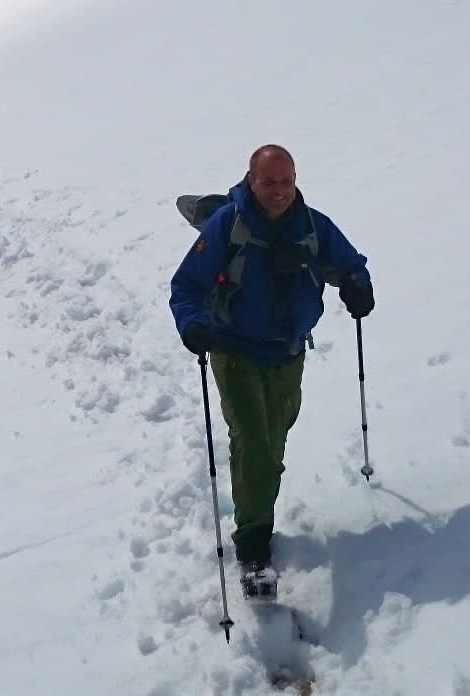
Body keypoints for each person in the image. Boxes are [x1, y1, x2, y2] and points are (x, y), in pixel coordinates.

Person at [168, 144, 373, 600]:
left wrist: (358, 286)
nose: (279, 191)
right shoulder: (228, 225)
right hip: (234, 350)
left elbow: (350, 264)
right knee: (255, 445)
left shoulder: (312, 225)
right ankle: (253, 550)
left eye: (286, 181)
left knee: (274, 437)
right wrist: (192, 324)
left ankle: (256, 509)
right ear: (251, 180)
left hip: (288, 353)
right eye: (268, 182)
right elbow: (187, 285)